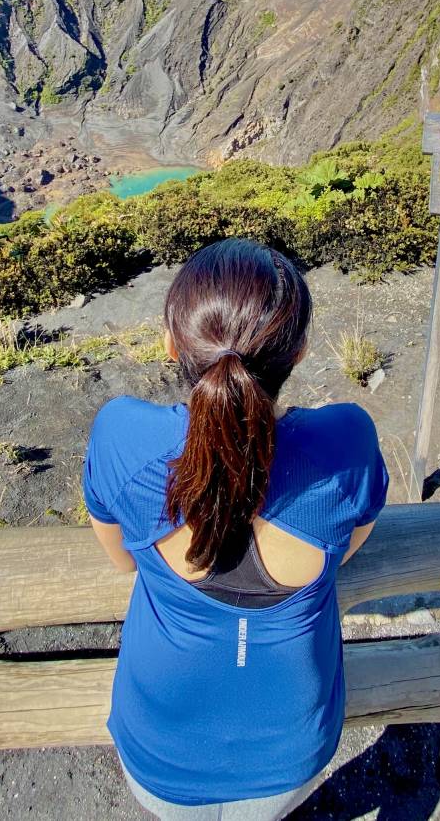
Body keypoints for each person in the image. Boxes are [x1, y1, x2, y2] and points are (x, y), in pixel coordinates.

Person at [82, 238, 389, 820]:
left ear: (171, 344)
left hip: (159, 746)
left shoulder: (124, 440)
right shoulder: (346, 444)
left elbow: (122, 560)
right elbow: (348, 549)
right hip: (291, 748)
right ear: (298, 352)